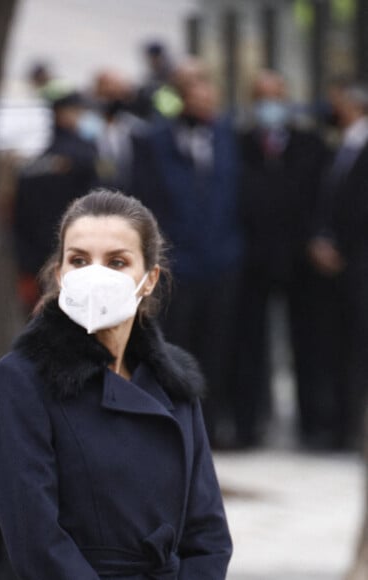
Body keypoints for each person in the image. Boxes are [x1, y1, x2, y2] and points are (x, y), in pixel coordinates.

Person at [0, 189, 232, 579]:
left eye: (117, 262)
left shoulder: (174, 383)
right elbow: (34, 539)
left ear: (149, 279)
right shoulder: (21, 380)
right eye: (79, 261)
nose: (95, 275)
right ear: (60, 274)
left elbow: (208, 533)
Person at [133, 56, 244, 448]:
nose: (202, 97)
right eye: (192, 89)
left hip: (221, 263)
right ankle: (174, 428)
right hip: (177, 265)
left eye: (206, 88)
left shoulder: (227, 137)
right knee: (174, 348)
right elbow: (144, 199)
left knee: (217, 349)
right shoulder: (154, 141)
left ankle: (210, 431)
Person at [235, 69, 330, 448]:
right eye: (262, 97)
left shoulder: (311, 143)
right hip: (253, 259)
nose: (270, 105)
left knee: (309, 344)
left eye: (275, 96)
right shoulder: (239, 143)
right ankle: (249, 423)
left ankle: (314, 425)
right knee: (250, 346)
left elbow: (321, 197)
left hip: (301, 260)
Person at [308, 77, 368, 450]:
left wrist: (340, 246)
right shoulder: (339, 147)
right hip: (337, 271)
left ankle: (353, 429)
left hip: (360, 265)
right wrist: (320, 241)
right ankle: (341, 426)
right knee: (339, 349)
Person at [12, 90, 98, 312]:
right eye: (77, 112)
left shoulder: (37, 159)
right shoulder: (83, 155)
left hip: (42, 256)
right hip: (76, 252)